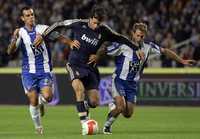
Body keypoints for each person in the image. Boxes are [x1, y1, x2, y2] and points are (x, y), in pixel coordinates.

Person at [33, 5, 142, 135]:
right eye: (95, 22)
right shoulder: (79, 23)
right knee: (79, 90)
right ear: (90, 18)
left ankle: (85, 106)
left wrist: (136, 48)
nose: (96, 26)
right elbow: (58, 24)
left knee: (94, 102)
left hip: (90, 68)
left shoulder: (104, 30)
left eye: (99, 23)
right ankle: (84, 123)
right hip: (75, 64)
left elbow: (120, 38)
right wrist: (44, 36)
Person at [100, 23, 196, 134]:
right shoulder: (123, 45)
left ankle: (113, 107)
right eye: (138, 35)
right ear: (133, 33)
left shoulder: (148, 47)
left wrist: (182, 61)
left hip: (132, 84)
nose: (140, 38)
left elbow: (165, 51)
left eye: (142, 36)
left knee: (128, 114)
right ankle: (107, 127)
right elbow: (105, 49)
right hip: (119, 80)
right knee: (121, 107)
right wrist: (96, 56)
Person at [7, 6, 79, 135]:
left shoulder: (43, 29)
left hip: (45, 69)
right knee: (33, 99)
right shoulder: (20, 33)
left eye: (32, 15)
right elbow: (10, 51)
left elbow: (58, 36)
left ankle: (42, 102)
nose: (31, 17)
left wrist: (70, 43)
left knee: (48, 97)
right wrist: (13, 38)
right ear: (22, 18)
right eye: (27, 15)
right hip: (28, 71)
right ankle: (38, 128)